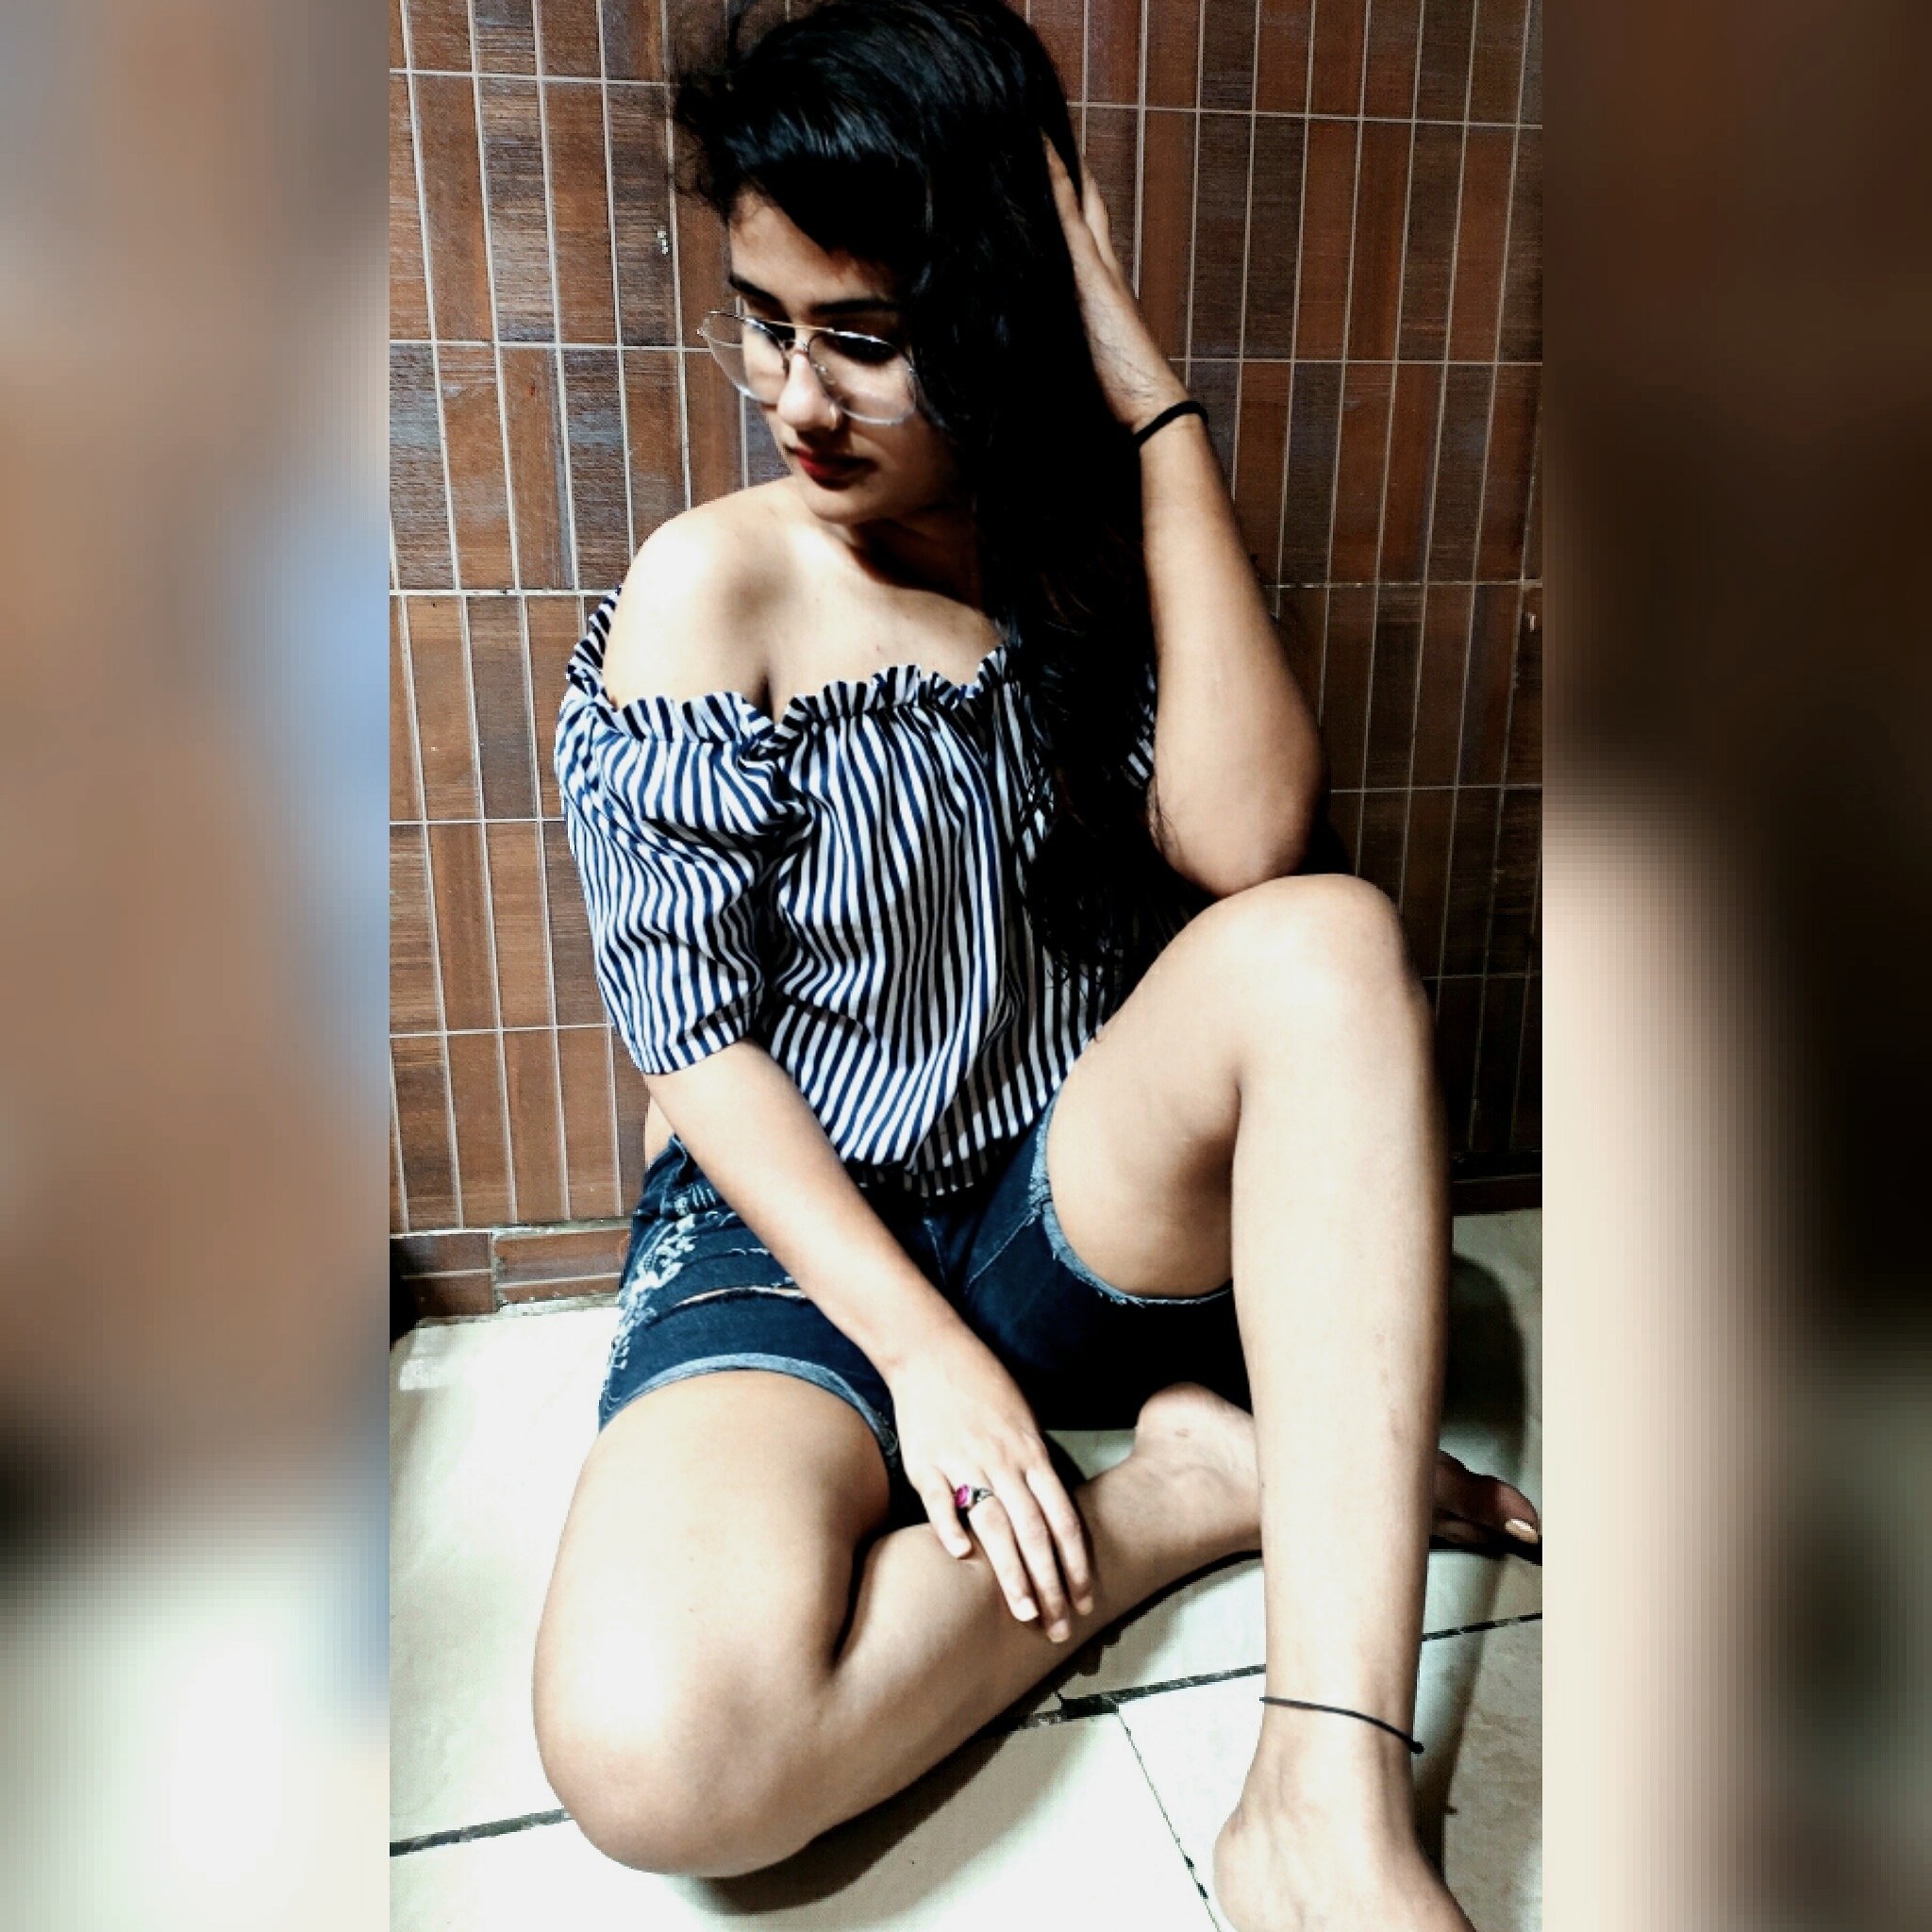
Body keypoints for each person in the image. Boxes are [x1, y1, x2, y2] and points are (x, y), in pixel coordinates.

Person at [533, 4, 1539, 1926]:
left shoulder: (1080, 552)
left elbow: (1248, 848)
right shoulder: (714, 585)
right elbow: (692, 1037)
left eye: (863, 339)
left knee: (1327, 945)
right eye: (764, 323)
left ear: (996, 311)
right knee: (659, 1761)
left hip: (1058, 1203)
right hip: (793, 1231)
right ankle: (1184, 1494)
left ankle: (1320, 1794)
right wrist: (920, 1357)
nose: (797, 398)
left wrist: (1149, 409)